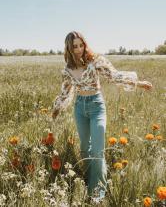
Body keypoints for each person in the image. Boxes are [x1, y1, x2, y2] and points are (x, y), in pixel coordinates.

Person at [52, 31, 152, 203]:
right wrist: (55, 110)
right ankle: (92, 176)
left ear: (84, 44)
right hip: (80, 108)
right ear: (69, 48)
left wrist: (139, 83)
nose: (78, 49)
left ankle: (96, 192)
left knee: (97, 150)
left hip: (97, 106)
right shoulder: (68, 70)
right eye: (74, 46)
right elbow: (64, 93)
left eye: (81, 45)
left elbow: (114, 76)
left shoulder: (95, 60)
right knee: (84, 148)